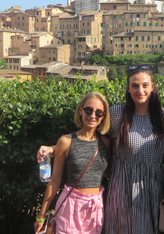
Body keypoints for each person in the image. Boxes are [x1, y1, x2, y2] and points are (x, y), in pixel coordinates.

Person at [38, 65, 164, 234]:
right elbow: (89, 137)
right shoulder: (117, 115)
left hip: (153, 189)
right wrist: (54, 148)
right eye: (135, 85)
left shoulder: (163, 116)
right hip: (123, 189)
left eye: (145, 85)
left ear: (152, 86)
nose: (140, 90)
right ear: (128, 89)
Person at [34, 92, 111, 234]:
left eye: (98, 112)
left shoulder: (106, 143)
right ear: (80, 110)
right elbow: (55, 181)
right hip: (70, 206)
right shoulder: (66, 141)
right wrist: (41, 216)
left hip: (95, 209)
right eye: (88, 110)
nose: (93, 115)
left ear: (103, 116)